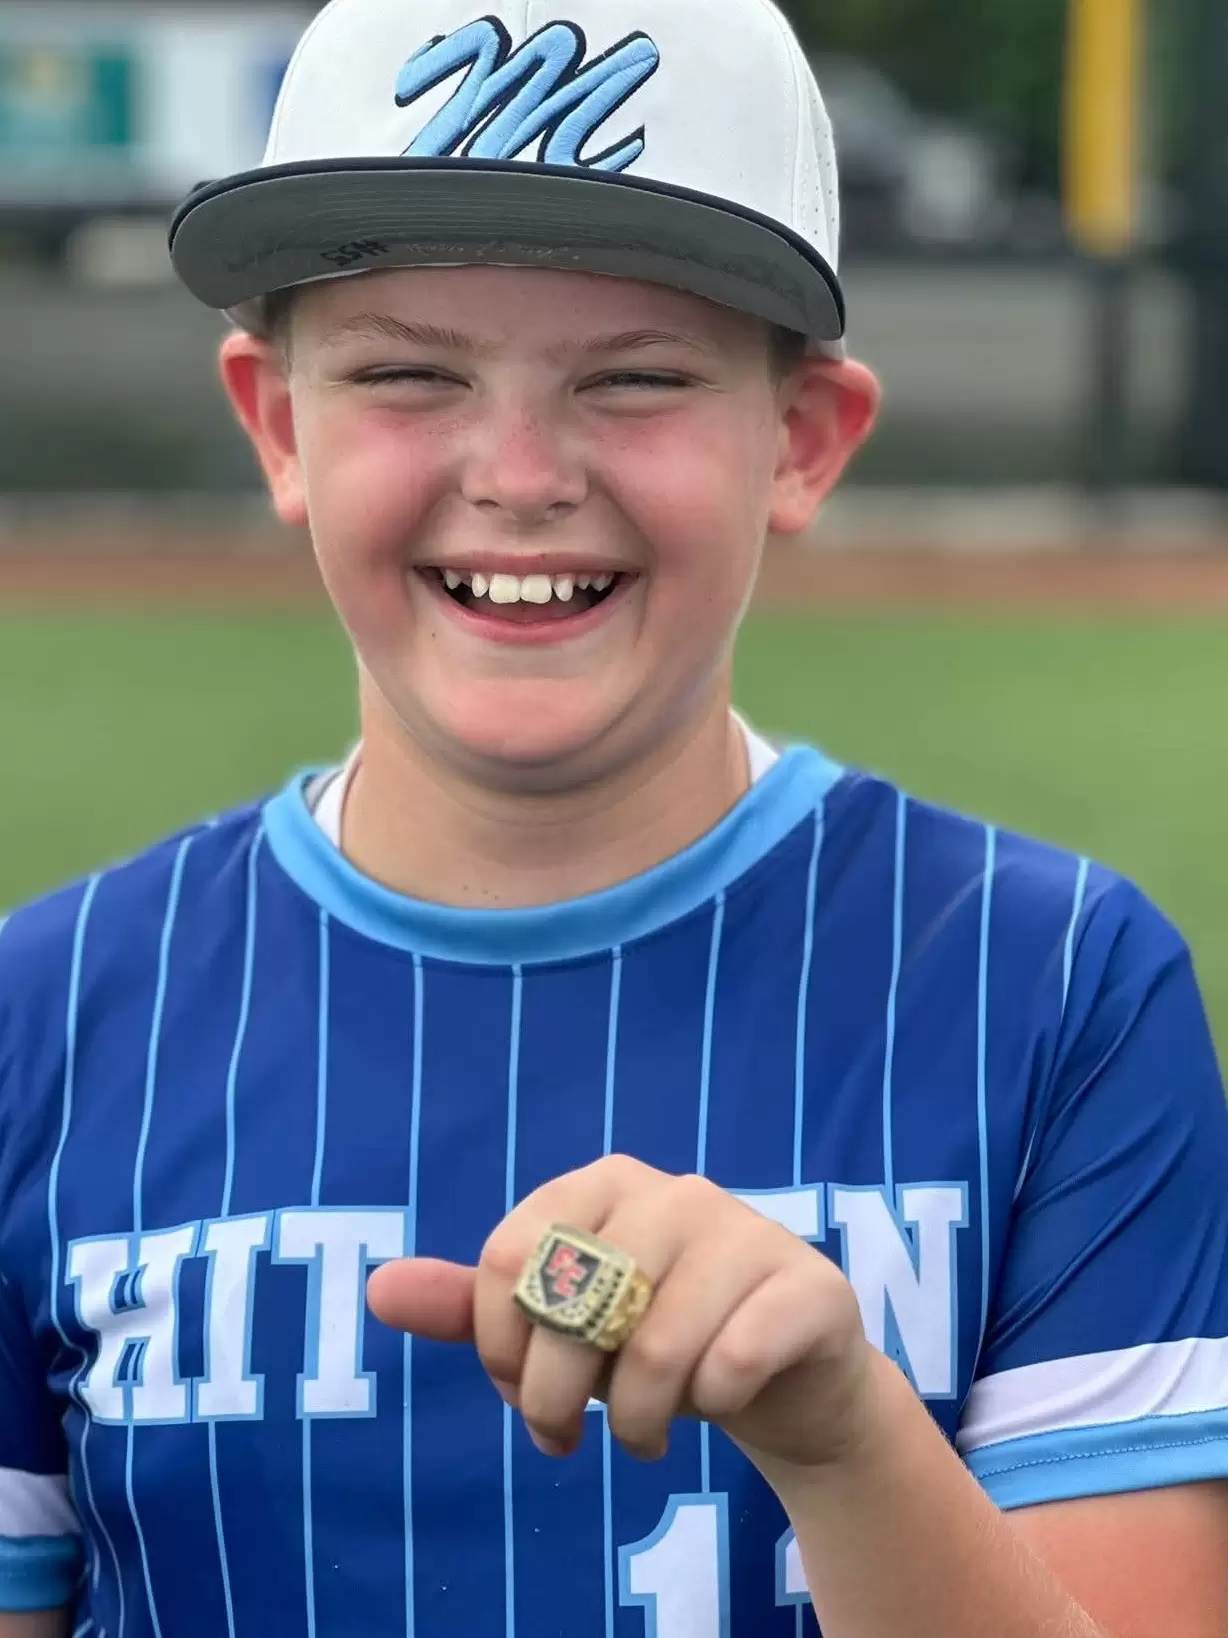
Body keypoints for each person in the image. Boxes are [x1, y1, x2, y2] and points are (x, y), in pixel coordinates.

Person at [2, 0, 1227, 1633]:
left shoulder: (1056, 986)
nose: (520, 475)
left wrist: (848, 1437)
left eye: (636, 378)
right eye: (408, 374)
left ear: (801, 441)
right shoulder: (45, 1017)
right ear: (281, 424)